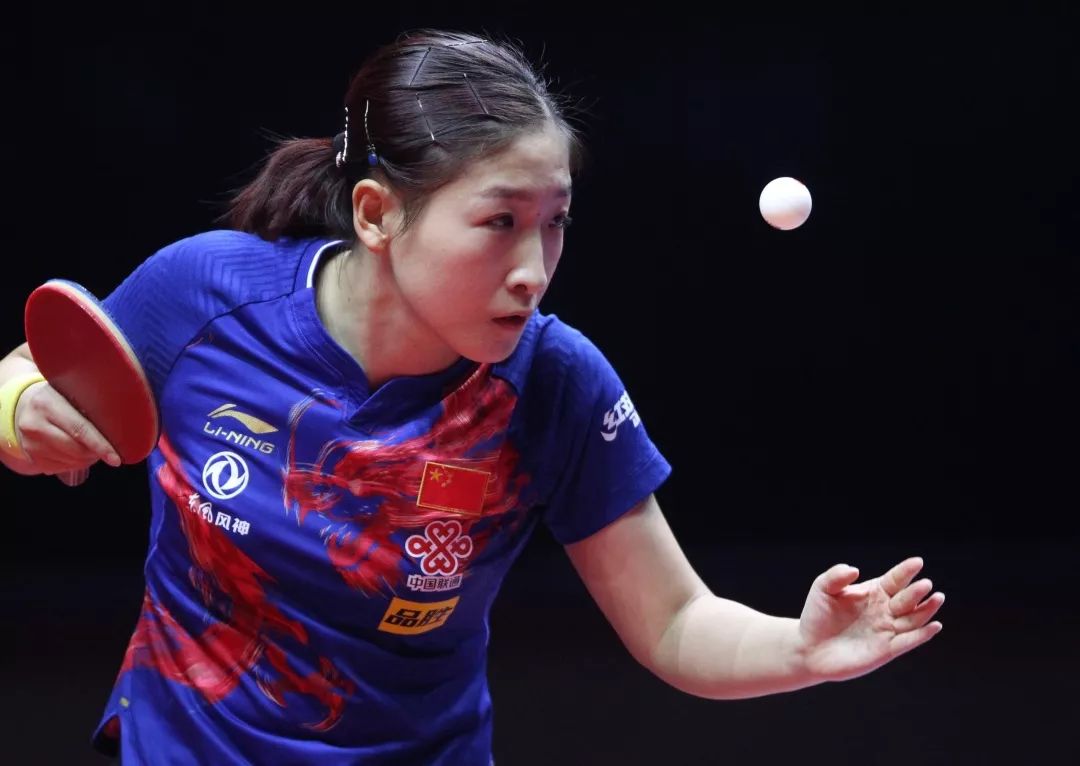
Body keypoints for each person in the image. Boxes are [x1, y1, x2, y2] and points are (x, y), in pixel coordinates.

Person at [0, 29, 944, 765]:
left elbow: (672, 621)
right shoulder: (207, 296)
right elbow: (31, 372)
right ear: (377, 213)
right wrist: (19, 412)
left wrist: (801, 650)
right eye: (499, 222)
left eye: (554, 222)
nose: (534, 268)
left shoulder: (552, 383)